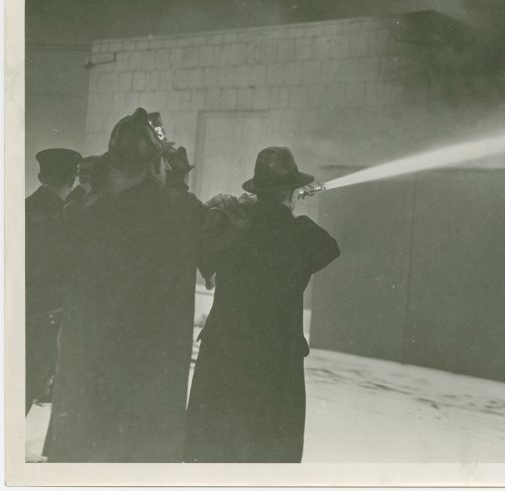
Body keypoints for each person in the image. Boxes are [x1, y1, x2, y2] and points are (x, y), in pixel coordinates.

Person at [45, 108, 202, 462]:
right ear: (153, 163)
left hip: (88, 363)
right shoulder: (170, 210)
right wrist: (179, 179)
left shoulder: (81, 210)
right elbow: (201, 230)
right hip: (143, 367)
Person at [184, 146, 340, 463]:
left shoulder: (232, 228)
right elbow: (329, 247)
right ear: (290, 192)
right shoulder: (301, 233)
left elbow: (205, 255)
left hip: (225, 358)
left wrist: (255, 211)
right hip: (275, 365)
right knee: (267, 458)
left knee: (218, 457)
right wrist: (288, 210)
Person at [26, 148, 81, 414]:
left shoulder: (22, 207)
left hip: (18, 310)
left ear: (40, 176)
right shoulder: (67, 216)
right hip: (47, 314)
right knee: (30, 381)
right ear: (73, 178)